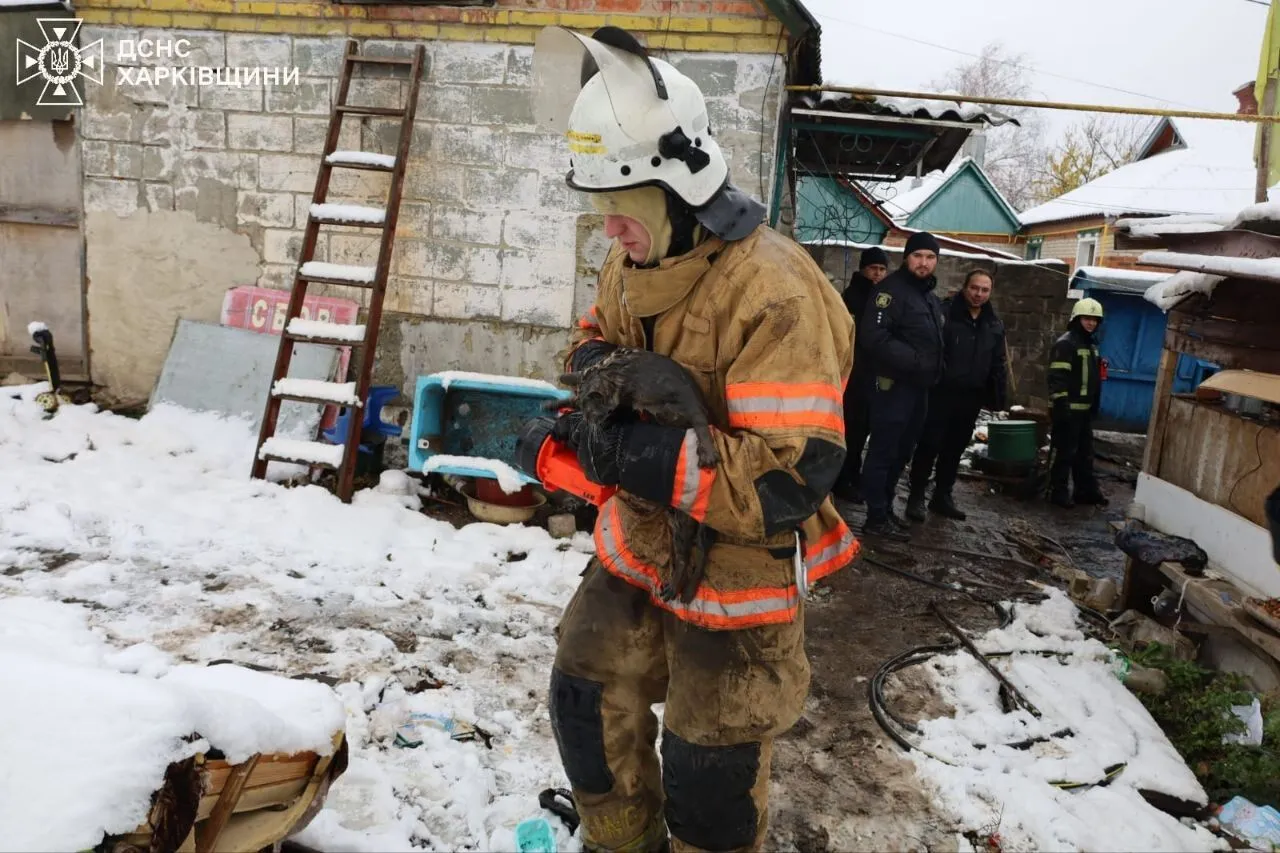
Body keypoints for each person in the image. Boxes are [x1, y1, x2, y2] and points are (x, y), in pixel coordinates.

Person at [528, 25, 860, 852]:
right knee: (584, 694)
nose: (607, 230)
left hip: (738, 561)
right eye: (598, 208)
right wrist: (597, 381)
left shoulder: (776, 291)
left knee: (709, 775)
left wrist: (637, 452)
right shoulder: (632, 263)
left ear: (675, 185)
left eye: (619, 208)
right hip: (642, 535)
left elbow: (793, 475)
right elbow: (587, 341)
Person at [857, 232, 945, 539]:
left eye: (930, 257)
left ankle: (885, 508)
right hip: (892, 386)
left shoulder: (928, 297)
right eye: (918, 255)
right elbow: (874, 337)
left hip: (918, 388)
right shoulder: (890, 292)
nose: (924, 263)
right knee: (883, 450)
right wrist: (917, 361)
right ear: (907, 257)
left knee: (902, 451)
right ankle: (875, 517)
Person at [905, 269, 1008, 522]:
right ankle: (916, 496)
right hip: (941, 393)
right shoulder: (945, 314)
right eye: (975, 288)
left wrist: (997, 394)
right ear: (965, 287)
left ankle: (942, 495)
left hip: (971, 397)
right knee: (929, 445)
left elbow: (997, 362)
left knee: (955, 449)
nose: (979, 294)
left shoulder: (993, 323)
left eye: (985, 290)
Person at [832, 246, 890, 503]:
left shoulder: (884, 297)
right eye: (873, 268)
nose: (877, 274)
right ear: (863, 269)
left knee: (863, 428)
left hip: (872, 374)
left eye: (881, 269)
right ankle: (841, 480)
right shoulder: (853, 297)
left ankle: (853, 474)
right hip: (853, 374)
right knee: (851, 430)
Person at [1047, 298, 1107, 508]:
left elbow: (1094, 379)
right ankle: (1058, 493)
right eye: (1086, 318)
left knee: (1085, 455)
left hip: (1084, 411)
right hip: (1069, 410)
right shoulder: (1066, 343)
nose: (1090, 323)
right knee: (1065, 454)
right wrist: (1061, 404)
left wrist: (1094, 405)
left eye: (1094, 320)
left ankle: (1085, 492)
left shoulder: (1091, 345)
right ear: (1077, 318)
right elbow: (1057, 376)